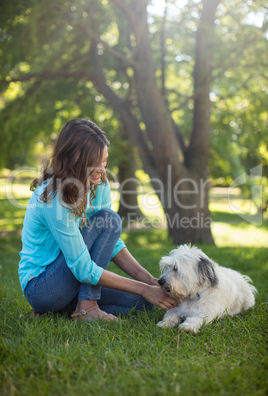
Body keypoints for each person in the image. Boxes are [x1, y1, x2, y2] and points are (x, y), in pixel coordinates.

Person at [19, 118, 178, 322]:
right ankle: (86, 308)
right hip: (42, 287)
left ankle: (65, 309)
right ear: (75, 159)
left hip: (72, 282)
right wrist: (143, 288)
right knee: (110, 220)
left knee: (144, 302)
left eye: (104, 160)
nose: (102, 169)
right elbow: (83, 268)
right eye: (95, 162)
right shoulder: (54, 198)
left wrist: (151, 283)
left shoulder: (99, 184)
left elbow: (110, 242)